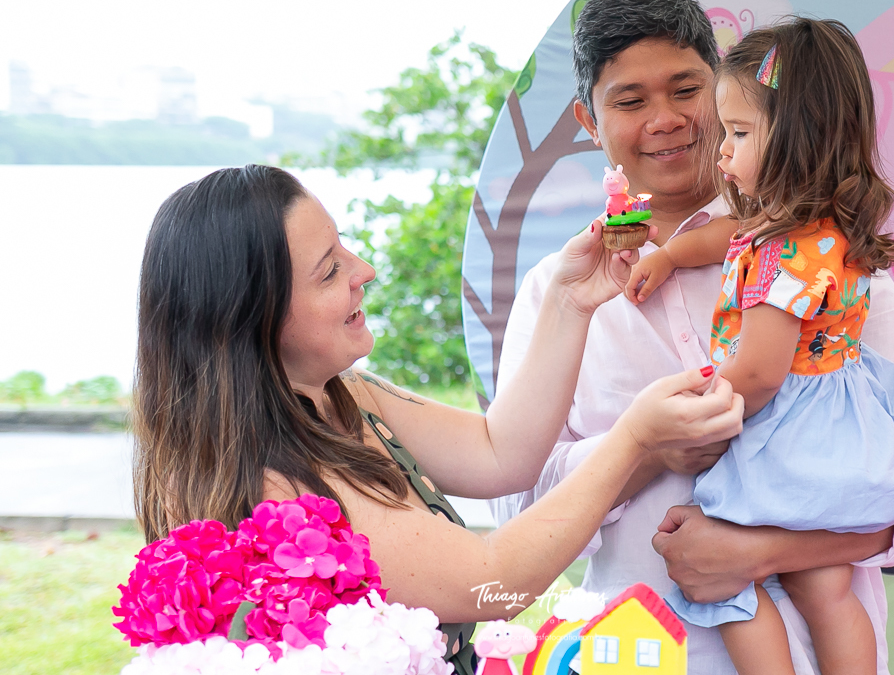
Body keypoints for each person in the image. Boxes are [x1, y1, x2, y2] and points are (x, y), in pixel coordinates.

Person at [490, 0, 894, 675]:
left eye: (686, 90)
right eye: (629, 100)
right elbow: (516, 517)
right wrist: (643, 449)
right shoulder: (557, 293)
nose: (667, 119)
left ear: (729, 92)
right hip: (637, 657)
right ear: (588, 121)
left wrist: (762, 552)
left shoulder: (836, 265)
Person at [132, 164, 745, 675]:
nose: (363, 270)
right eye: (329, 270)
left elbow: (499, 451)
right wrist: (635, 440)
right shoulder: (277, 483)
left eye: (343, 246)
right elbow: (490, 584)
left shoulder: (348, 396)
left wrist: (568, 299)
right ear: (250, 317)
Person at [628, 18, 894, 675]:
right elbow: (727, 237)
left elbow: (763, 371)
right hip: (840, 433)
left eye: (738, 134)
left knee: (723, 581)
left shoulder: (783, 259)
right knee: (825, 588)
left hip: (790, 434)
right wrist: (672, 255)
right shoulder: (812, 230)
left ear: (797, 139)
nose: (721, 151)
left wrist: (704, 408)